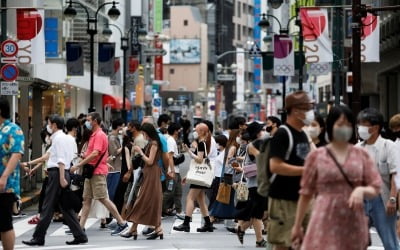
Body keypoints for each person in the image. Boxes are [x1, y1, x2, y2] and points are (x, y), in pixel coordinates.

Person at [291, 105, 382, 250]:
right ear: (331, 125)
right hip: (324, 216)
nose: (344, 128)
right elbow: (306, 193)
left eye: (348, 124)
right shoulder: (316, 156)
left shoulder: (361, 155)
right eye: (340, 124)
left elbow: (376, 186)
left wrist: (361, 191)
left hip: (353, 220)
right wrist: (297, 226)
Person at [23, 115, 87, 246]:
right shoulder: (66, 138)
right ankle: (80, 235)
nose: (48, 126)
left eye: (49, 124)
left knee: (47, 207)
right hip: (61, 173)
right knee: (65, 207)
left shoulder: (58, 139)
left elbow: (61, 159)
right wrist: (29, 163)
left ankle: (38, 237)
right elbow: (48, 156)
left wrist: (62, 177)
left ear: (54, 125)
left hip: (57, 174)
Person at [267, 91, 315, 250]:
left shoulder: (302, 134)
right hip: (283, 199)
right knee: (283, 243)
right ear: (295, 110)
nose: (311, 112)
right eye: (308, 107)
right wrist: (306, 170)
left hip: (302, 198)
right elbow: (275, 166)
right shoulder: (282, 133)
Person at [70, 113, 128, 236]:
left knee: (103, 198)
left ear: (95, 121)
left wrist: (79, 165)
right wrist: (82, 156)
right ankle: (81, 228)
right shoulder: (94, 135)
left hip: (97, 173)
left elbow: (95, 154)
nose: (87, 122)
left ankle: (122, 223)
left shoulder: (100, 135)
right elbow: (93, 153)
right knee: (86, 200)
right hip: (91, 172)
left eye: (89, 120)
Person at [356, 108, 400, 250]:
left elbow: (395, 174)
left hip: (382, 199)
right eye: (359, 124)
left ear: (375, 128)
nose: (360, 128)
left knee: (389, 241)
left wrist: (392, 199)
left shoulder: (389, 146)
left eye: (364, 124)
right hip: (361, 199)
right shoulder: (358, 148)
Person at [121, 123, 164, 240]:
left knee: (142, 200)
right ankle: (157, 229)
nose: (143, 135)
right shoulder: (152, 143)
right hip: (150, 174)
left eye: (144, 133)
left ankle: (134, 229)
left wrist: (140, 152)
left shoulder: (154, 144)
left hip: (152, 174)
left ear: (148, 133)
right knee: (148, 201)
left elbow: (150, 161)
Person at [173, 123, 214, 232]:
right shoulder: (204, 143)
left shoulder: (201, 144)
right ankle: (208, 224)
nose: (195, 131)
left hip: (199, 176)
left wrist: (189, 151)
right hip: (200, 175)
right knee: (200, 200)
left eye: (196, 129)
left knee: (190, 198)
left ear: (202, 131)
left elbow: (199, 160)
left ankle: (186, 223)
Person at [234, 122, 268, 247]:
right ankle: (259, 240)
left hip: (261, 183)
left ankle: (242, 229)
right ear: (257, 132)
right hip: (255, 184)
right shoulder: (252, 145)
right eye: (262, 130)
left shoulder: (258, 144)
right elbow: (263, 159)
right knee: (257, 213)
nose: (264, 131)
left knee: (257, 213)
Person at [0, 97, 24, 250]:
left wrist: (4, 177)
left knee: (4, 222)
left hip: (5, 185)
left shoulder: (14, 129)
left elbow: (16, 154)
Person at [163, 122, 183, 216]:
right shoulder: (171, 140)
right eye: (179, 130)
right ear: (175, 131)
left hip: (176, 170)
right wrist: (172, 170)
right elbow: (170, 156)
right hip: (172, 171)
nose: (180, 132)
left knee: (178, 191)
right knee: (169, 192)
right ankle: (160, 209)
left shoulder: (173, 140)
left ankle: (179, 211)